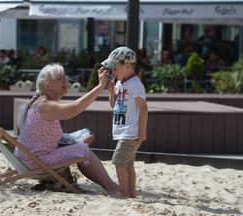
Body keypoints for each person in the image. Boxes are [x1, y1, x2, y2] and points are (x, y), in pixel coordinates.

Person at [14, 63, 121, 197]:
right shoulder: (46, 106)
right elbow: (75, 108)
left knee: (80, 143)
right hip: (36, 162)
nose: (65, 81)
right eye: (59, 79)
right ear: (46, 85)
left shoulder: (38, 104)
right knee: (83, 150)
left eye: (65, 77)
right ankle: (112, 188)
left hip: (27, 159)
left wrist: (76, 140)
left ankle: (110, 185)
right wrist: (100, 87)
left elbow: (46, 138)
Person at [104, 47, 148, 198]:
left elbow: (143, 107)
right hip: (125, 130)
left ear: (128, 66)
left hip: (131, 131)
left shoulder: (134, 83)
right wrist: (111, 93)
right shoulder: (120, 83)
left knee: (119, 161)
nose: (113, 72)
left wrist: (142, 131)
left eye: (115, 68)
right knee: (128, 165)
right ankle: (131, 194)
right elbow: (114, 105)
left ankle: (123, 193)